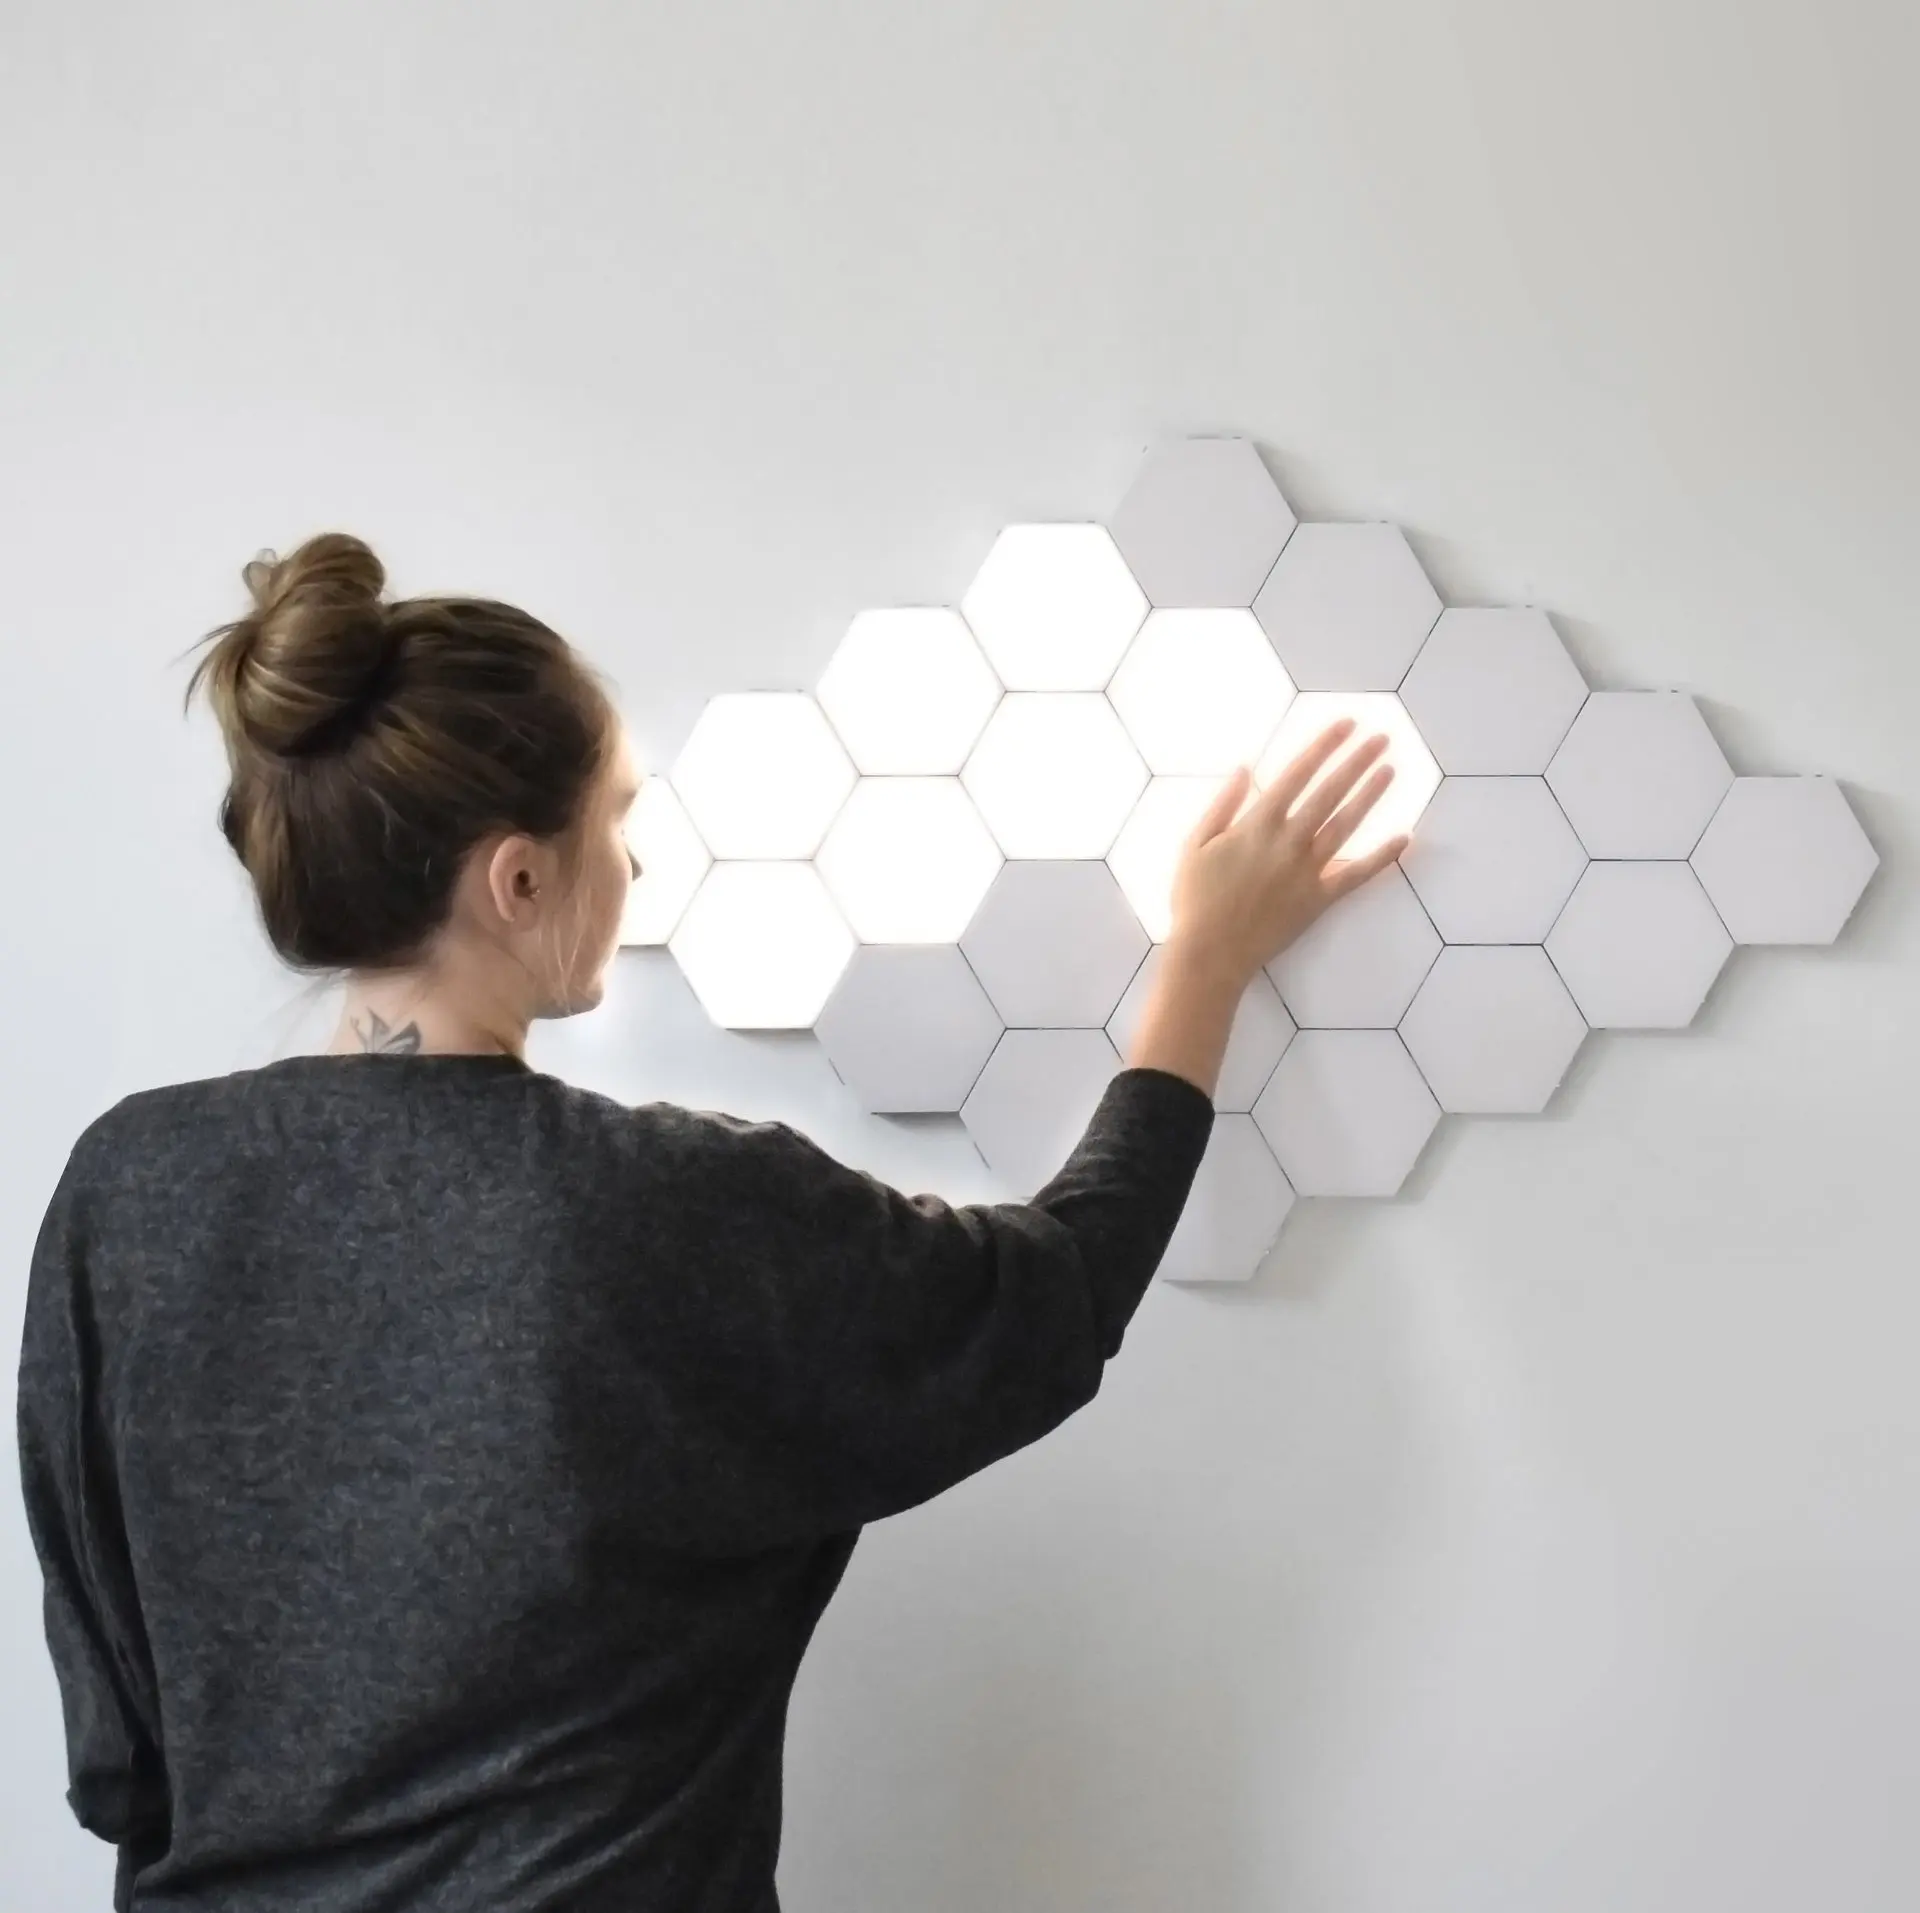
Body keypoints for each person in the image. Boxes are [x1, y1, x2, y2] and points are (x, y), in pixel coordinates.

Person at [15, 532, 1406, 1912]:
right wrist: (1208, 958)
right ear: (517, 881)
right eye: (617, 821)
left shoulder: (125, 1191)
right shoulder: (659, 1205)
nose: (632, 866)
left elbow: (120, 1760)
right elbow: (1052, 1302)